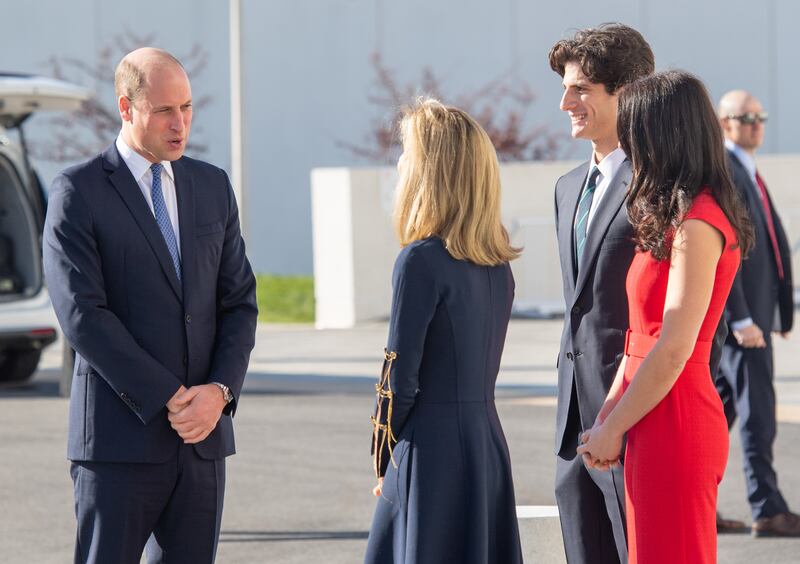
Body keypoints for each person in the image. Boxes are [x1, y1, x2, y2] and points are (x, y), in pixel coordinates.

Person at [43, 48, 258, 564]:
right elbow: (82, 316)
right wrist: (172, 396)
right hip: (118, 447)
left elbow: (240, 303)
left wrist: (218, 393)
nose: (180, 123)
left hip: (202, 442)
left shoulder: (212, 186)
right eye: (165, 110)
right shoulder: (78, 191)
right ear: (126, 106)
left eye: (186, 107)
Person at [577, 71, 754, 563]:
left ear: (661, 133)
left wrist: (613, 427)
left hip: (675, 417)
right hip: (650, 411)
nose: (626, 143)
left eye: (632, 130)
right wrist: (609, 418)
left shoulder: (700, 220)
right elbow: (639, 340)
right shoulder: (676, 216)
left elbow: (674, 345)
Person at [363, 98, 523, 564]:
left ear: (430, 171)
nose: (400, 163)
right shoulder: (498, 265)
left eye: (407, 154)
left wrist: (385, 461)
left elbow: (398, 379)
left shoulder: (421, 261)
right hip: (484, 442)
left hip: (430, 448)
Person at [548, 23, 654, 564]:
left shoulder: (658, 183)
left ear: (626, 93)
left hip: (634, 418)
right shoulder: (568, 187)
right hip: (574, 422)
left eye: (582, 89)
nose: (565, 101)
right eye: (566, 88)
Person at [715, 90, 800, 537]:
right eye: (746, 117)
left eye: (760, 116)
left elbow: (769, 245)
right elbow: (726, 248)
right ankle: (766, 507)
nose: (756, 124)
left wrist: (779, 314)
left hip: (757, 319)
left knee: (718, 412)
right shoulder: (726, 170)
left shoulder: (747, 169)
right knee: (758, 413)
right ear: (725, 123)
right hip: (743, 324)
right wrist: (742, 318)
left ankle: (698, 502)